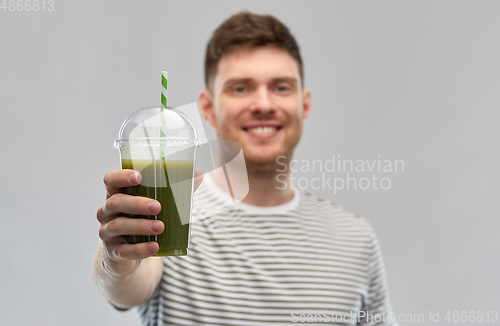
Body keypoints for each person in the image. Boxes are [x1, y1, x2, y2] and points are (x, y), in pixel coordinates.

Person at [93, 12, 397, 326]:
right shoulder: (171, 212)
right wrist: (116, 259)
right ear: (209, 108)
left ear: (304, 105)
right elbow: (126, 289)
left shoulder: (356, 239)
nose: (263, 104)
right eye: (241, 88)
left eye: (281, 87)